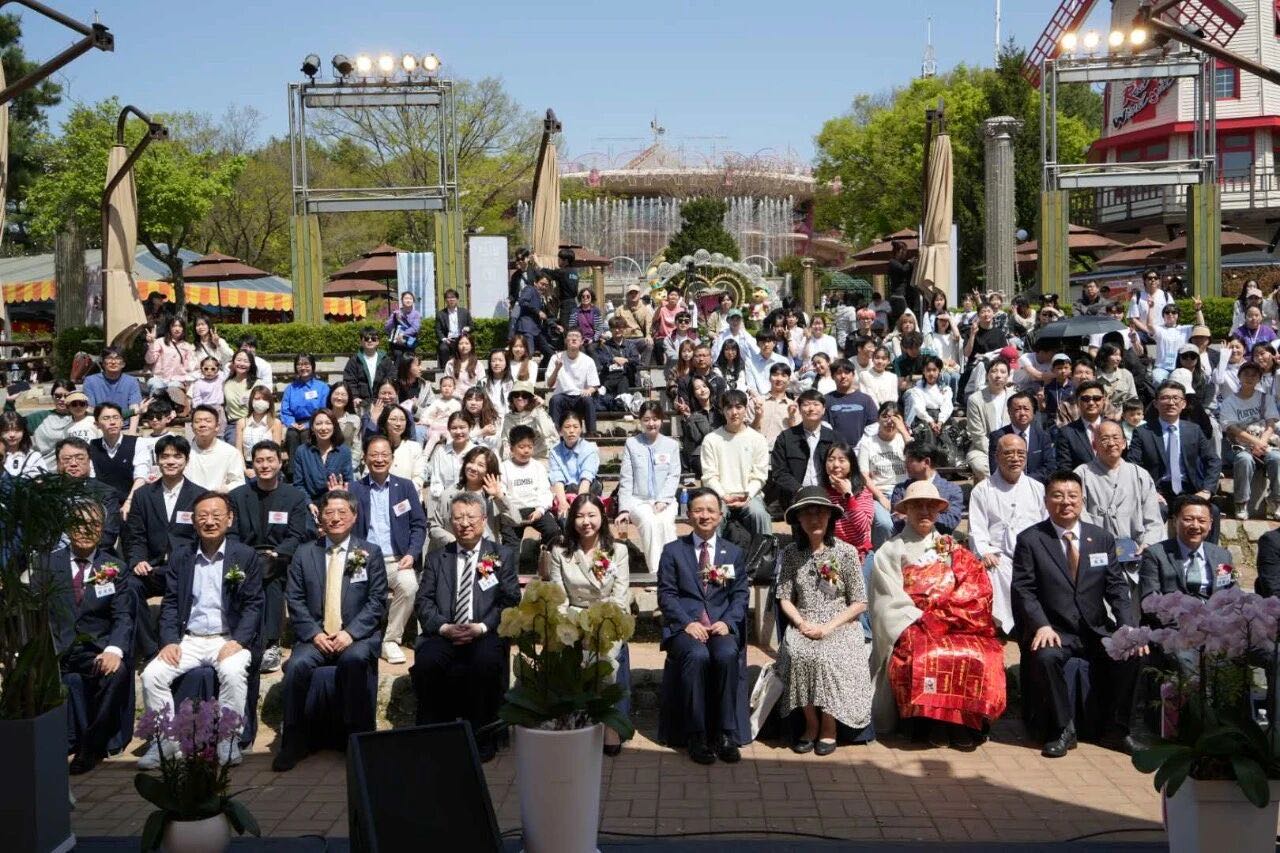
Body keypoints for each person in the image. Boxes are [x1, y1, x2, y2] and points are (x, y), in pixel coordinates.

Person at [1011, 471, 1142, 757]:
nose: (1065, 502)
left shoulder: (1102, 538)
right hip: (1054, 630)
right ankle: (1063, 729)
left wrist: (1127, 627)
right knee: (1046, 658)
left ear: (1083, 501)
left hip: (1095, 630)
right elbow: (1024, 591)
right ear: (1046, 501)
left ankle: (1117, 730)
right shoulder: (1031, 540)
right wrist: (1041, 626)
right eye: (1057, 496)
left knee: (1132, 653)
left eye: (1072, 496)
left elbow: (1117, 588)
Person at [870, 481, 1007, 747]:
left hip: (955, 622)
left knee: (982, 653)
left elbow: (973, 585)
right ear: (905, 510)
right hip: (915, 623)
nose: (924, 511)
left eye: (930, 506)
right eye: (917, 506)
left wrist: (953, 613)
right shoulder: (891, 550)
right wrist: (922, 618)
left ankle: (964, 723)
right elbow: (888, 600)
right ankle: (928, 724)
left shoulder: (951, 546)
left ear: (938, 512)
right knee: (927, 655)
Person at [138, 492, 263, 768]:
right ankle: (166, 742)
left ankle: (228, 740)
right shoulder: (182, 557)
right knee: (151, 675)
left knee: (232, 671)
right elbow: (170, 603)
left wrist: (239, 641)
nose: (209, 521)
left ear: (229, 519)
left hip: (226, 638)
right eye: (202, 516)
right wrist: (170, 641)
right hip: (190, 640)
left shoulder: (244, 555)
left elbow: (255, 604)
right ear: (193, 522)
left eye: (216, 515)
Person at [273, 489, 388, 772]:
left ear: (354, 516)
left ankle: (356, 738)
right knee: (297, 666)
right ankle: (294, 740)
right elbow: (295, 598)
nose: (335, 518)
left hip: (356, 636)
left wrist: (351, 633)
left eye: (342, 512)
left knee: (354, 660)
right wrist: (315, 634)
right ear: (319, 517)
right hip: (316, 636)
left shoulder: (370, 552)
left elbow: (377, 600)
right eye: (329, 513)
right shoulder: (304, 553)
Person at [411, 492, 520, 761]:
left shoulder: (500, 555)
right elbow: (423, 601)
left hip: (484, 632)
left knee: (484, 662)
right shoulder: (438, 558)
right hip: (444, 633)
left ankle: (481, 736)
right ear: (450, 522)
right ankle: (435, 735)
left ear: (483, 520)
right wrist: (444, 627)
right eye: (458, 517)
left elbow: (510, 600)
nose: (465, 523)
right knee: (427, 661)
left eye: (471, 517)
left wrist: (482, 627)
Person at [775, 487, 872, 755]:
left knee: (828, 656)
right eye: (807, 513)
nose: (814, 518)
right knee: (797, 652)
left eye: (820, 512)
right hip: (805, 622)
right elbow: (784, 597)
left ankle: (829, 725)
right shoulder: (792, 553)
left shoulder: (846, 552)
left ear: (830, 516)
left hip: (839, 623)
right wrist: (801, 623)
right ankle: (811, 723)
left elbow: (859, 602)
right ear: (798, 520)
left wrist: (828, 627)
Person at [656, 487, 750, 765]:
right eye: (698, 510)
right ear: (688, 515)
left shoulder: (732, 552)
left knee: (725, 654)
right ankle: (695, 734)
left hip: (720, 625)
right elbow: (666, 594)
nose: (704, 515)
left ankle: (724, 733)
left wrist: (728, 621)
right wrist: (686, 623)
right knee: (696, 655)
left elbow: (740, 594)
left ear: (720, 516)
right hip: (686, 628)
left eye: (710, 510)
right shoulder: (673, 551)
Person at [41, 503, 135, 774]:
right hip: (57, 650)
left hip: (95, 650)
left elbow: (123, 616)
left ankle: (90, 747)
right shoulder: (47, 564)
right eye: (79, 524)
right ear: (68, 528)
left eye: (93, 525)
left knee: (117, 673)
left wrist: (114, 649)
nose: (85, 530)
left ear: (102, 529)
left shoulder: (113, 567)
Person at [548, 493, 631, 754]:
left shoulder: (618, 550)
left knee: (607, 663)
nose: (586, 522)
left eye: (592, 515)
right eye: (580, 516)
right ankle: (572, 722)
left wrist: (601, 624)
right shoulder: (560, 552)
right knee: (568, 658)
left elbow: (620, 595)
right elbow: (558, 596)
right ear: (572, 520)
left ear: (602, 518)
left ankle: (610, 725)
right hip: (572, 617)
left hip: (609, 616)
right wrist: (570, 626)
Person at [229, 440, 312, 674]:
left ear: (280, 462)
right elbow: (233, 533)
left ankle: (271, 644)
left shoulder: (294, 496)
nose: (264, 465)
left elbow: (297, 534)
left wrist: (277, 553)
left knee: (272, 577)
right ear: (252, 464)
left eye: (270, 460)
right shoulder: (238, 496)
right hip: (246, 556)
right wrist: (248, 556)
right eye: (259, 461)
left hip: (280, 558)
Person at [349, 435, 428, 665]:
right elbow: (346, 526)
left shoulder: (404, 487)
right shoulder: (355, 488)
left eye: (385, 454)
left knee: (409, 585)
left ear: (392, 458)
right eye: (374, 454)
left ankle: (391, 639)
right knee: (350, 587)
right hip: (362, 558)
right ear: (365, 458)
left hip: (397, 559)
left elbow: (418, 524)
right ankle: (357, 635)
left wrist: (411, 554)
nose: (379, 459)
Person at [1076, 421, 1165, 607]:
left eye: (1116, 438)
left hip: (1135, 552)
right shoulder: (1081, 475)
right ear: (1094, 445)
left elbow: (1153, 520)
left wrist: (1146, 544)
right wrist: (1095, 544)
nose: (1111, 443)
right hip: (1097, 554)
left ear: (1124, 443)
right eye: (1104, 439)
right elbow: (1078, 515)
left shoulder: (1139, 474)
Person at [968, 433, 1048, 635]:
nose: (1015, 458)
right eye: (1009, 453)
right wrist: (985, 552)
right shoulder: (982, 490)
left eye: (1020, 453)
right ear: (997, 456)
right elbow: (977, 529)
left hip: (1032, 556)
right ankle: (1004, 626)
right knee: (994, 569)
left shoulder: (1037, 488)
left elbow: (1047, 526)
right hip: (1000, 556)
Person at [1127, 381, 1222, 533]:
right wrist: (1148, 492)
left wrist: (1207, 490)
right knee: (1153, 512)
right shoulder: (1143, 432)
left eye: (1176, 398)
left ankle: (1208, 554)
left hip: (1189, 491)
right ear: (1156, 403)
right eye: (1165, 398)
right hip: (1157, 491)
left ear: (1183, 403)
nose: (1171, 402)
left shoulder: (1194, 430)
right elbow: (1133, 465)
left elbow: (1213, 460)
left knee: (1213, 512)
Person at [616, 402, 681, 575]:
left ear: (661, 419)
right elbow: (626, 478)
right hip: (638, 500)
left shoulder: (671, 445)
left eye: (655, 419)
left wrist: (663, 500)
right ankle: (656, 573)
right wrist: (623, 509)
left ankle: (673, 573)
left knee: (666, 523)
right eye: (646, 419)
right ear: (640, 421)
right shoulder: (632, 443)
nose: (651, 423)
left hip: (666, 499)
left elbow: (673, 476)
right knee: (650, 523)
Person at [700, 390, 772, 544]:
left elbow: (760, 476)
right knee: (713, 516)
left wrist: (747, 495)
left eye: (738, 407)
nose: (734, 412)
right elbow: (709, 476)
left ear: (746, 409)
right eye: (729, 408)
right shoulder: (711, 440)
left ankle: (766, 559)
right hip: (720, 496)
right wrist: (723, 495)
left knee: (760, 514)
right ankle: (710, 564)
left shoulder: (757, 439)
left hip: (750, 496)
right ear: (722, 410)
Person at [1139, 495, 1233, 607]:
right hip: (1173, 621)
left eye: (1202, 521)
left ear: (1210, 524)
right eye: (1188, 519)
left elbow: (1232, 594)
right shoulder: (1155, 554)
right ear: (1175, 521)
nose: (1195, 526)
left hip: (1215, 620)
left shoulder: (1222, 556)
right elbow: (1151, 600)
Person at [1218, 361, 1280, 520]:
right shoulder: (1229, 402)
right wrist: (1255, 442)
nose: (1250, 378)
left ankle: (1276, 500)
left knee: (1277, 458)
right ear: (1239, 376)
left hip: (1265, 444)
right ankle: (1241, 502)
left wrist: (1262, 442)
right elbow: (1232, 428)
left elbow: (1271, 423)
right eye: (1246, 374)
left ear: (1259, 378)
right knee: (1244, 460)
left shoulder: (1266, 398)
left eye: (1254, 375)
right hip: (1241, 446)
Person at [429, 446, 519, 553]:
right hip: (453, 554)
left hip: (486, 556)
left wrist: (499, 496)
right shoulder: (448, 494)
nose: (473, 467)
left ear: (489, 471)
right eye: (471, 462)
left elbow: (516, 521)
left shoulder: (494, 497)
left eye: (480, 465)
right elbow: (434, 527)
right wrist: (455, 542)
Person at [769, 389, 837, 509]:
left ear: (824, 409)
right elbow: (779, 471)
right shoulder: (786, 438)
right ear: (799, 410)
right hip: (795, 497)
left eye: (816, 404)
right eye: (806, 404)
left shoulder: (834, 438)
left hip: (828, 496)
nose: (811, 408)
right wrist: (799, 490)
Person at [500, 424, 564, 551]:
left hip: (535, 509)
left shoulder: (538, 467)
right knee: (511, 546)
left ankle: (541, 553)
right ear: (512, 449)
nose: (526, 451)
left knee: (553, 531)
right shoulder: (504, 467)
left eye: (529, 447)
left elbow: (545, 492)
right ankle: (511, 568)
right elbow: (502, 492)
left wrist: (540, 510)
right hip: (513, 511)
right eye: (521, 447)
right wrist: (511, 512)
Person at [54, 437, 123, 551]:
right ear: (57, 463)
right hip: (53, 556)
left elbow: (108, 535)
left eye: (80, 458)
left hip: (93, 555)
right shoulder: (46, 492)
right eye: (67, 459)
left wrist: (80, 550)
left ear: (89, 461)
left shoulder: (106, 493)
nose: (73, 463)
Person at [857, 401, 909, 547]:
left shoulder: (904, 440)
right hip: (879, 493)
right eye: (885, 416)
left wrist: (904, 431)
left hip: (905, 493)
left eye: (895, 417)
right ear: (878, 418)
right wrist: (880, 497)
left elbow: (918, 457)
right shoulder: (868, 443)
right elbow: (863, 475)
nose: (889, 421)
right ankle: (881, 559)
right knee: (885, 524)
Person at [888, 442, 965, 536]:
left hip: (939, 544)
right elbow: (897, 521)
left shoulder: (952, 490)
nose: (905, 465)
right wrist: (932, 516)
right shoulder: (900, 489)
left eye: (910, 460)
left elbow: (950, 521)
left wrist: (913, 517)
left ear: (926, 462)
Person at [291, 408, 354, 512]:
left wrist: (340, 492)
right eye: (319, 424)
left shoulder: (343, 451)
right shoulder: (302, 451)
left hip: (337, 501)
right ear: (312, 427)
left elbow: (349, 482)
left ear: (334, 426)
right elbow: (299, 484)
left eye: (328, 423)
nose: (324, 428)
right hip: (310, 504)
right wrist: (309, 503)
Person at [987, 392, 1057, 484]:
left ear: (1033, 411)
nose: (1022, 413)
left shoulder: (1043, 436)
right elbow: (995, 469)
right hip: (1007, 486)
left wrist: (1026, 481)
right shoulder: (998, 437)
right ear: (1009, 412)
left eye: (1026, 409)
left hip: (1037, 486)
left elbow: (1049, 468)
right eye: (1017, 409)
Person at [964, 357, 1014, 481]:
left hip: (1012, 447)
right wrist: (996, 453)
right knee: (982, 467)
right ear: (987, 375)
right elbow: (977, 434)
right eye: (994, 371)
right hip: (982, 448)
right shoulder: (975, 399)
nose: (998, 375)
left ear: (1008, 376)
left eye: (1003, 372)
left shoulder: (1014, 398)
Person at [547, 328, 601, 436]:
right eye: (570, 336)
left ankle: (592, 433)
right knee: (555, 400)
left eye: (577, 337)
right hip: (563, 396)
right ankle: (555, 435)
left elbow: (594, 385)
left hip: (580, 396)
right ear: (566, 341)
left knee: (588, 400)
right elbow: (549, 384)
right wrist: (557, 369)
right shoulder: (555, 358)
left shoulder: (588, 360)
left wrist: (589, 390)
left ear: (581, 342)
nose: (573, 339)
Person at [280, 354, 330, 467]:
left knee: (306, 434)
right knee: (292, 435)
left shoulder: (322, 387)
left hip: (316, 421)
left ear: (312, 366)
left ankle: (310, 468)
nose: (303, 367)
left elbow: (324, 409)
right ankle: (293, 471)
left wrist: (309, 424)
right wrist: (291, 423)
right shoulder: (290, 388)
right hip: (295, 422)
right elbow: (285, 410)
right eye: (299, 364)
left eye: (306, 364)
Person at [186, 405, 247, 494]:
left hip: (219, 500)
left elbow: (238, 481)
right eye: (197, 421)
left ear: (217, 426)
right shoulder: (185, 452)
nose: (202, 425)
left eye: (208, 421)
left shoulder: (230, 452)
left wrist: (222, 490)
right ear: (192, 427)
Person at [549, 411, 601, 515]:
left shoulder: (590, 448)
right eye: (567, 427)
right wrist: (563, 503)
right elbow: (557, 479)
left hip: (587, 489)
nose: (571, 431)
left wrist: (578, 505)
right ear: (560, 431)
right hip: (565, 491)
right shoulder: (554, 452)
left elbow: (586, 478)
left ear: (581, 429)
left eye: (575, 427)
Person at [89, 403, 139, 503]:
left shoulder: (137, 443)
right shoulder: (92, 447)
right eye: (106, 418)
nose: (112, 422)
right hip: (103, 505)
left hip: (133, 504)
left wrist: (129, 502)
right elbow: (91, 479)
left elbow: (141, 477)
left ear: (122, 421)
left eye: (116, 417)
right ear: (97, 424)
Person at [84, 346, 143, 432]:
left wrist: (132, 432)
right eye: (109, 358)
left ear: (123, 364)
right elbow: (90, 409)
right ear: (103, 363)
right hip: (100, 428)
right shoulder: (90, 381)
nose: (113, 362)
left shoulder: (131, 381)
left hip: (124, 427)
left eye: (118, 358)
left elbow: (135, 410)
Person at [1054, 380, 1109, 470]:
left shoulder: (1115, 427)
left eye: (1096, 398)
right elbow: (1065, 467)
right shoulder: (1067, 433)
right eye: (1085, 399)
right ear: (1077, 402)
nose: (1091, 403)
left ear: (1103, 401)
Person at [824, 360, 878, 449]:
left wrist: (861, 445)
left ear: (853, 375)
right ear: (833, 376)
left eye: (847, 372)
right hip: (835, 449)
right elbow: (824, 425)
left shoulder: (865, 399)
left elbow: (873, 425)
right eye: (838, 373)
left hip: (861, 449)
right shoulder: (826, 400)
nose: (843, 376)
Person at [499, 382, 557, 462]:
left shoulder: (538, 413)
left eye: (525, 395)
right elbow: (506, 442)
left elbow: (550, 435)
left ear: (531, 398)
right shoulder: (508, 418)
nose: (520, 398)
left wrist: (539, 408)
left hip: (539, 457)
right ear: (512, 398)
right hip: (517, 459)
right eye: (516, 395)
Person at [143, 317, 197, 402]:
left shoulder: (187, 346)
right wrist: (151, 343)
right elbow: (149, 360)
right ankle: (155, 410)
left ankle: (173, 412)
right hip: (159, 378)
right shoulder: (160, 342)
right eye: (174, 326)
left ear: (183, 329)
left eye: (180, 326)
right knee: (157, 386)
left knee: (174, 387)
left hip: (177, 380)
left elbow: (189, 368)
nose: (177, 329)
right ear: (169, 328)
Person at [377, 404, 427, 492]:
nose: (398, 424)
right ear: (384, 421)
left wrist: (403, 493)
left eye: (402, 420)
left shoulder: (414, 447)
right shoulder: (376, 447)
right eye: (393, 419)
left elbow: (419, 477)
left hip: (408, 498)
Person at [342, 327, 395, 409]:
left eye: (373, 338)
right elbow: (349, 381)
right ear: (361, 342)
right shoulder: (354, 360)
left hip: (382, 402)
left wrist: (386, 395)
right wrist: (355, 397)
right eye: (366, 339)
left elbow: (391, 377)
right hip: (361, 403)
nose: (370, 341)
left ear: (378, 342)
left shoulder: (385, 359)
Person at [750, 362, 800, 447]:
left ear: (788, 380)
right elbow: (746, 431)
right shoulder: (757, 402)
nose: (779, 379)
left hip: (781, 453)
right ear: (769, 378)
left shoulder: (794, 406)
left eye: (783, 376)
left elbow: (796, 435)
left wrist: (791, 416)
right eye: (775, 375)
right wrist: (757, 417)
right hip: (756, 450)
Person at [236, 386, 285, 471]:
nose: (260, 402)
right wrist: (244, 469)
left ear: (269, 402)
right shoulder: (241, 423)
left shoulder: (276, 423)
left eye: (264, 399)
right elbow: (238, 451)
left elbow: (275, 451)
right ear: (251, 400)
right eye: (257, 398)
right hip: (247, 465)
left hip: (267, 466)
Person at [33, 380, 76, 466]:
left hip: (74, 470)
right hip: (44, 470)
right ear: (52, 397)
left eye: (67, 396)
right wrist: (10, 402)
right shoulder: (39, 417)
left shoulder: (81, 417)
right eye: (58, 396)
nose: (62, 399)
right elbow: (12, 422)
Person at [614, 282, 655, 366]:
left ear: (639, 295)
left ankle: (643, 367)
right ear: (627, 295)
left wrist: (648, 335)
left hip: (639, 338)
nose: (633, 295)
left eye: (635, 293)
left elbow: (649, 324)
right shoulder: (620, 309)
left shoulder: (645, 309)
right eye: (630, 293)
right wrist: (626, 325)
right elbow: (615, 324)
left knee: (649, 344)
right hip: (624, 338)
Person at [434, 289, 473, 368]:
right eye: (448, 298)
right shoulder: (440, 314)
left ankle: (466, 367)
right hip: (448, 340)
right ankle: (445, 370)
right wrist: (444, 339)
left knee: (466, 346)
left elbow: (471, 326)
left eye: (453, 297)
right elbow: (438, 330)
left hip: (461, 338)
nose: (451, 300)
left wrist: (467, 328)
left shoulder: (464, 312)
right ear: (445, 300)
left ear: (457, 299)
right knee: (443, 348)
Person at [385, 291, 422, 364]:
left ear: (413, 301)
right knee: (398, 355)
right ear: (402, 300)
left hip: (410, 341)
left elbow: (415, 328)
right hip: (397, 342)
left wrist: (403, 334)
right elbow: (387, 328)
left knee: (409, 357)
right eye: (406, 298)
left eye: (410, 298)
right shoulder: (396, 313)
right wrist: (394, 319)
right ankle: (396, 374)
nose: (408, 300)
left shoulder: (416, 314)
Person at [569, 288, 607, 352]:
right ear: (580, 298)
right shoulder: (575, 311)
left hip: (593, 339)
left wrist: (593, 339)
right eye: (583, 296)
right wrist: (580, 340)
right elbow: (572, 328)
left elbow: (599, 328)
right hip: (579, 339)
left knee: (590, 349)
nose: (585, 298)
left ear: (591, 297)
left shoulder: (596, 311)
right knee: (582, 350)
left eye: (588, 296)